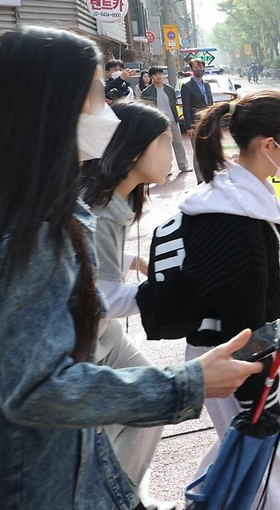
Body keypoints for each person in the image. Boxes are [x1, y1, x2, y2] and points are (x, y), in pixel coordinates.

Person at [0, 27, 263, 510]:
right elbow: (38, 388)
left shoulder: (39, 211)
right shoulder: (38, 230)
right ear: (53, 107)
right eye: (99, 96)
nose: (109, 116)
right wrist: (189, 382)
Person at [173, 90, 280, 509]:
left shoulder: (232, 193)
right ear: (270, 145)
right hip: (237, 357)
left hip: (233, 353)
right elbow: (240, 309)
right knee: (269, 447)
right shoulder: (236, 214)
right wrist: (256, 385)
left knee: (242, 442)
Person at [80, 101, 175, 508]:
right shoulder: (100, 210)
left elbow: (94, 265)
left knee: (152, 396)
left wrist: (133, 262)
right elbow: (101, 298)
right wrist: (166, 291)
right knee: (153, 398)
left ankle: (125, 495)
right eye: (166, 142)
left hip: (102, 336)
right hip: (88, 340)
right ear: (135, 152)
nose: (173, 151)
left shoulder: (113, 201)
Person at [141, 66, 191, 174]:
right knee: (163, 147)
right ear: (151, 77)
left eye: (160, 74)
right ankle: (166, 169)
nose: (158, 76)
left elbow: (174, 104)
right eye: (155, 75)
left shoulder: (170, 89)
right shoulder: (146, 93)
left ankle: (183, 165)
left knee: (178, 143)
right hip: (158, 124)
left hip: (172, 120)